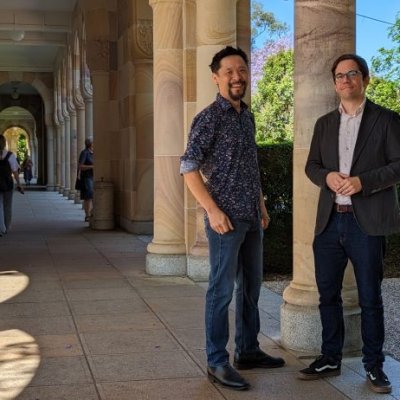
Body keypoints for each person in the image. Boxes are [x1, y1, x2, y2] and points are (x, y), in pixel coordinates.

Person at [180, 46, 285, 391]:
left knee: (251, 288)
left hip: (252, 216)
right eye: (229, 72)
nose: (237, 77)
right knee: (220, 291)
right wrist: (212, 210)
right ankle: (216, 361)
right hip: (225, 221)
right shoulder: (209, 118)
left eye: (241, 70)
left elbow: (250, 165)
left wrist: (262, 204)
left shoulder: (247, 116)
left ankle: (248, 350)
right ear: (216, 77)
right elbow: (188, 167)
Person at [300, 54, 400, 394]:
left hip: (365, 225)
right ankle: (330, 356)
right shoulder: (324, 124)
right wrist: (326, 176)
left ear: (365, 79)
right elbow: (311, 166)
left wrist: (363, 182)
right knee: (328, 295)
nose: (345, 80)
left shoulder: (387, 120)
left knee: (370, 298)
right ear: (334, 83)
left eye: (352, 74)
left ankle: (374, 367)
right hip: (329, 223)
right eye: (340, 76)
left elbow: (399, 165)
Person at [0, 135, 24, 235]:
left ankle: (1, 228)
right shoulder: (10, 155)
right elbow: (15, 171)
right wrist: (19, 184)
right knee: (7, 206)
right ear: (4, 143)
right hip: (8, 184)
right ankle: (6, 226)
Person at [78, 138, 94, 222]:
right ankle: (87, 215)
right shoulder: (85, 153)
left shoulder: (93, 153)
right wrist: (92, 167)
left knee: (93, 196)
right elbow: (81, 166)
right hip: (87, 178)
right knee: (88, 196)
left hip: (93, 177)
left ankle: (92, 213)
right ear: (91, 144)